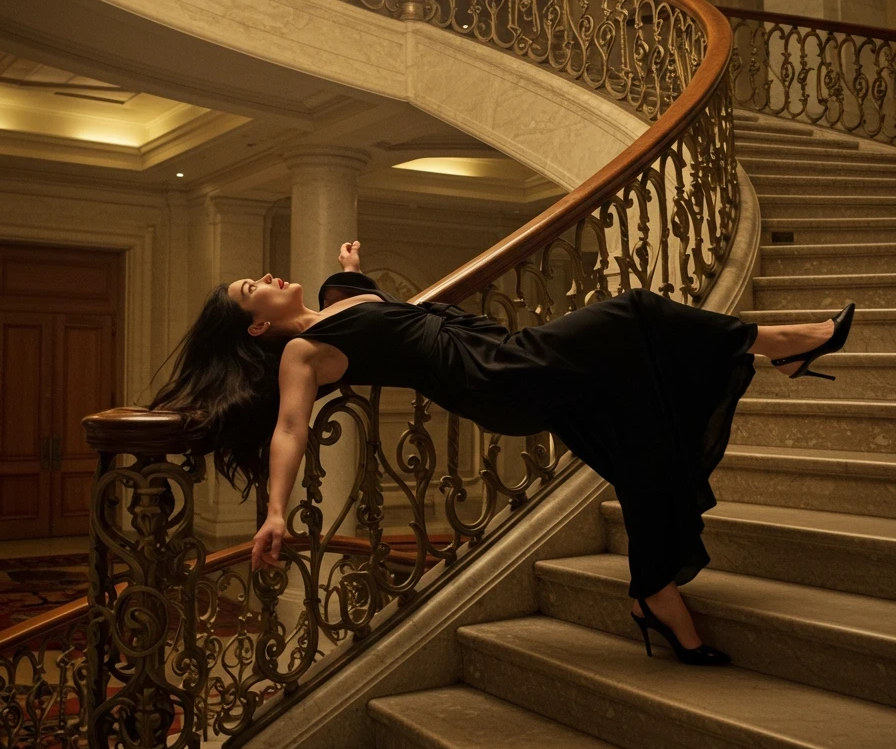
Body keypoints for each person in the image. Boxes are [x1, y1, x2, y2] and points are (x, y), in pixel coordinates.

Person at [151, 243, 854, 667]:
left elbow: (377, 313)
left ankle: (656, 595)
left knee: (636, 434)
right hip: (492, 378)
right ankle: (789, 343)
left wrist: (352, 270)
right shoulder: (305, 351)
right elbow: (291, 429)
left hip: (496, 358)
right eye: (253, 288)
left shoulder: (336, 302)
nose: (267, 277)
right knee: (634, 312)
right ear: (256, 324)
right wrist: (273, 511)